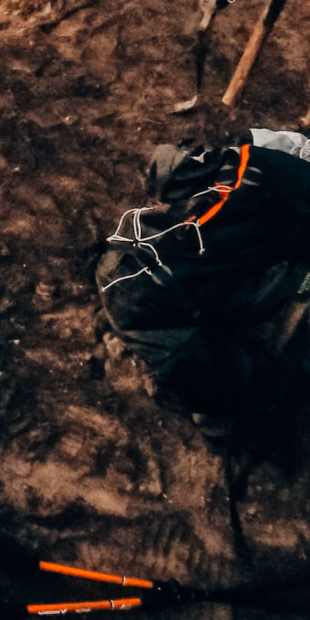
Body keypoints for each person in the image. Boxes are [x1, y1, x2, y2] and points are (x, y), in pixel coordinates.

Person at [98, 128, 310, 446]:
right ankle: (214, 408)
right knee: (230, 405)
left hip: (128, 249)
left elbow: (167, 166)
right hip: (148, 303)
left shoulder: (274, 148)